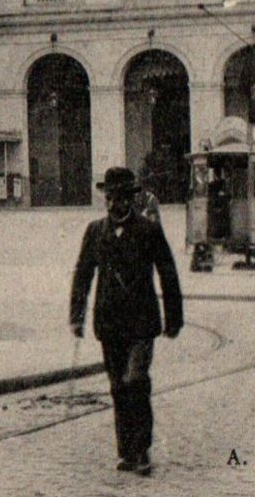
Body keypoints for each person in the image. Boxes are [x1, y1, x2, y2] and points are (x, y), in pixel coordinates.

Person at [70, 167, 184, 478]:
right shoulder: (95, 232)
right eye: (109, 198)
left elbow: (168, 272)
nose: (112, 204)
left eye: (119, 198)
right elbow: (83, 274)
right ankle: (126, 452)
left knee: (136, 381)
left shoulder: (148, 230)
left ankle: (143, 448)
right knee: (118, 386)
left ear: (131, 199)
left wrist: (174, 318)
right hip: (109, 322)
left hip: (142, 322)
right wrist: (76, 315)